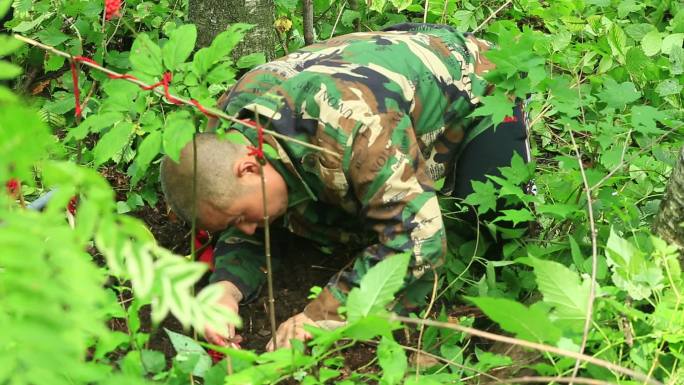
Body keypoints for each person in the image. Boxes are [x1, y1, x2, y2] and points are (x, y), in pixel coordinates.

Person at [160, 23, 531, 351]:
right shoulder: (226, 132)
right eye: (233, 223)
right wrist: (226, 289)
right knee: (318, 218)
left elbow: (421, 242)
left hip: (476, 83)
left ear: (249, 165)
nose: (246, 227)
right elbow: (239, 212)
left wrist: (318, 318)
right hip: (374, 68)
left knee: (495, 219)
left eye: (241, 217)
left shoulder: (357, 126)